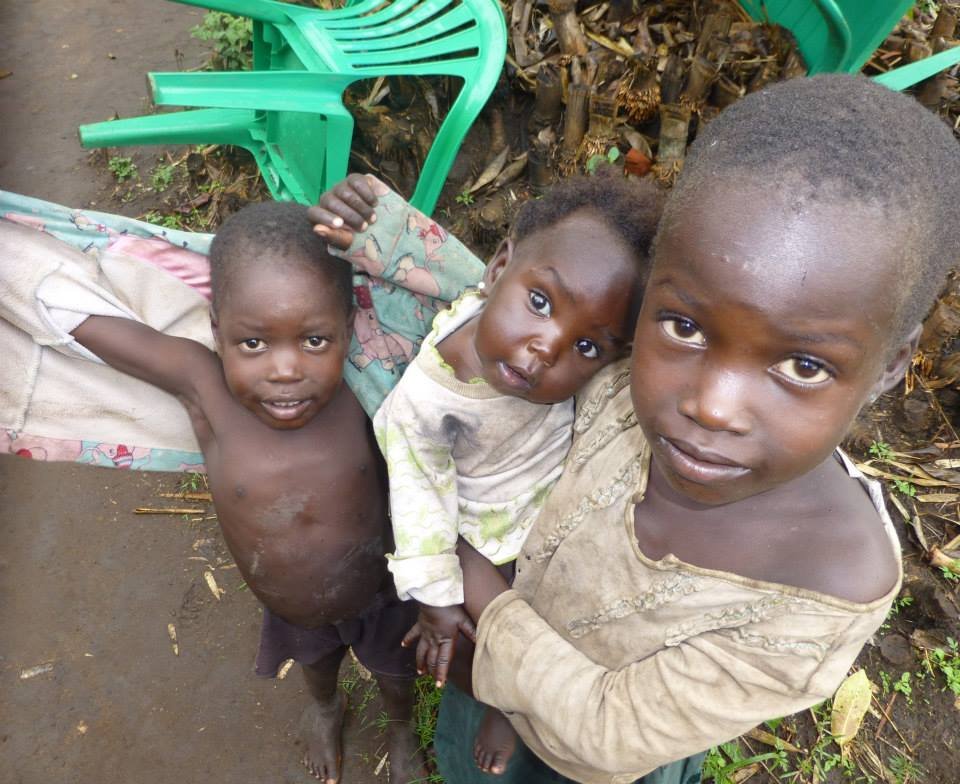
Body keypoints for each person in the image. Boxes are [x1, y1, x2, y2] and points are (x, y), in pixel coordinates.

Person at [316, 74, 960, 784]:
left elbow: (607, 728)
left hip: (575, 761)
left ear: (891, 366)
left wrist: (463, 571)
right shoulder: (617, 383)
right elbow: (541, 308)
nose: (712, 406)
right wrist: (398, 240)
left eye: (804, 366)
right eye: (684, 325)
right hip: (483, 682)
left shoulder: (824, 588)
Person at [312, 172, 664, 775]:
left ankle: (512, 703)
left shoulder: (539, 333)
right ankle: (503, 705)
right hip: (496, 533)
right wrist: (438, 600)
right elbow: (418, 498)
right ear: (498, 268)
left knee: (584, 616)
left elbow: (437, 257)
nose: (545, 350)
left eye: (589, 347)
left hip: (564, 501)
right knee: (500, 628)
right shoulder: (424, 398)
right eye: (540, 303)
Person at [67, 201, 427, 784]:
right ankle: (325, 705)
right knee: (315, 660)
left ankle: (402, 729)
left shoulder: (368, 390)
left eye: (314, 340)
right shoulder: (203, 386)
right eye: (253, 344)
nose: (285, 370)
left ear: (349, 326)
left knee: (396, 673)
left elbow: (451, 311)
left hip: (381, 590)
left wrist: (379, 222)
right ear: (217, 330)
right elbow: (81, 320)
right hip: (288, 600)